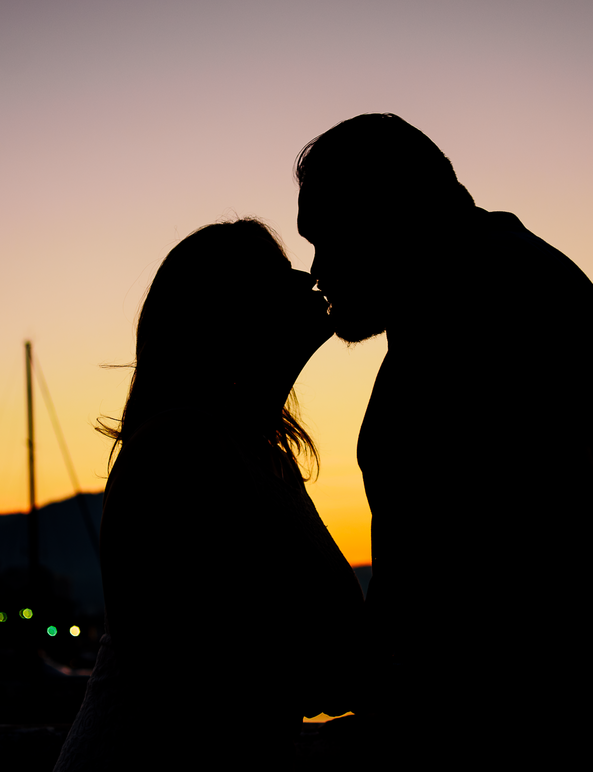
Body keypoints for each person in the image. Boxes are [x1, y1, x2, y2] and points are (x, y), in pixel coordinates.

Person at [294, 114, 593, 758]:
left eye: (328, 239)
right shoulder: (482, 290)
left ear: (390, 217)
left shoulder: (491, 315)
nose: (318, 271)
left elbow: (549, 586)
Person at [53, 219, 364, 771]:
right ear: (225, 315)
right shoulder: (177, 446)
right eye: (274, 279)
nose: (305, 280)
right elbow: (185, 661)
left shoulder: (259, 449)